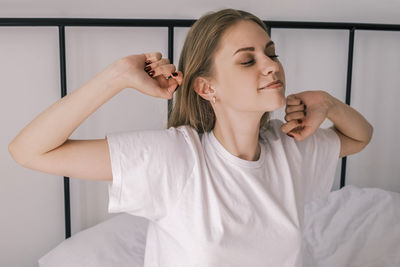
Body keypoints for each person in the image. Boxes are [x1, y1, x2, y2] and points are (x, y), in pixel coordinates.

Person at [8, 8, 373, 267]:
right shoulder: (176, 158)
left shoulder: (288, 146)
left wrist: (328, 103)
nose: (271, 65)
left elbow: (360, 137)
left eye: (271, 52)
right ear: (206, 87)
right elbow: (28, 150)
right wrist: (117, 76)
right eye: (248, 60)